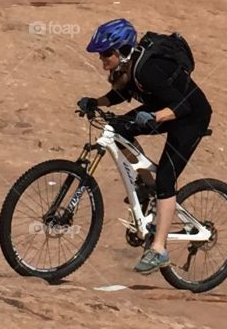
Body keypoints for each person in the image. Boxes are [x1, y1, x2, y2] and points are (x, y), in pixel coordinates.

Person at [78, 18, 212, 274]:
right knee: (118, 128)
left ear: (122, 51)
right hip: (164, 109)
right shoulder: (128, 68)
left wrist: (154, 117)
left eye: (106, 54)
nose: (102, 59)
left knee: (166, 178)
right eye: (100, 54)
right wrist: (96, 102)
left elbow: (183, 105)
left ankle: (159, 250)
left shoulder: (148, 69)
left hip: (190, 116)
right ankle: (145, 184)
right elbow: (122, 94)